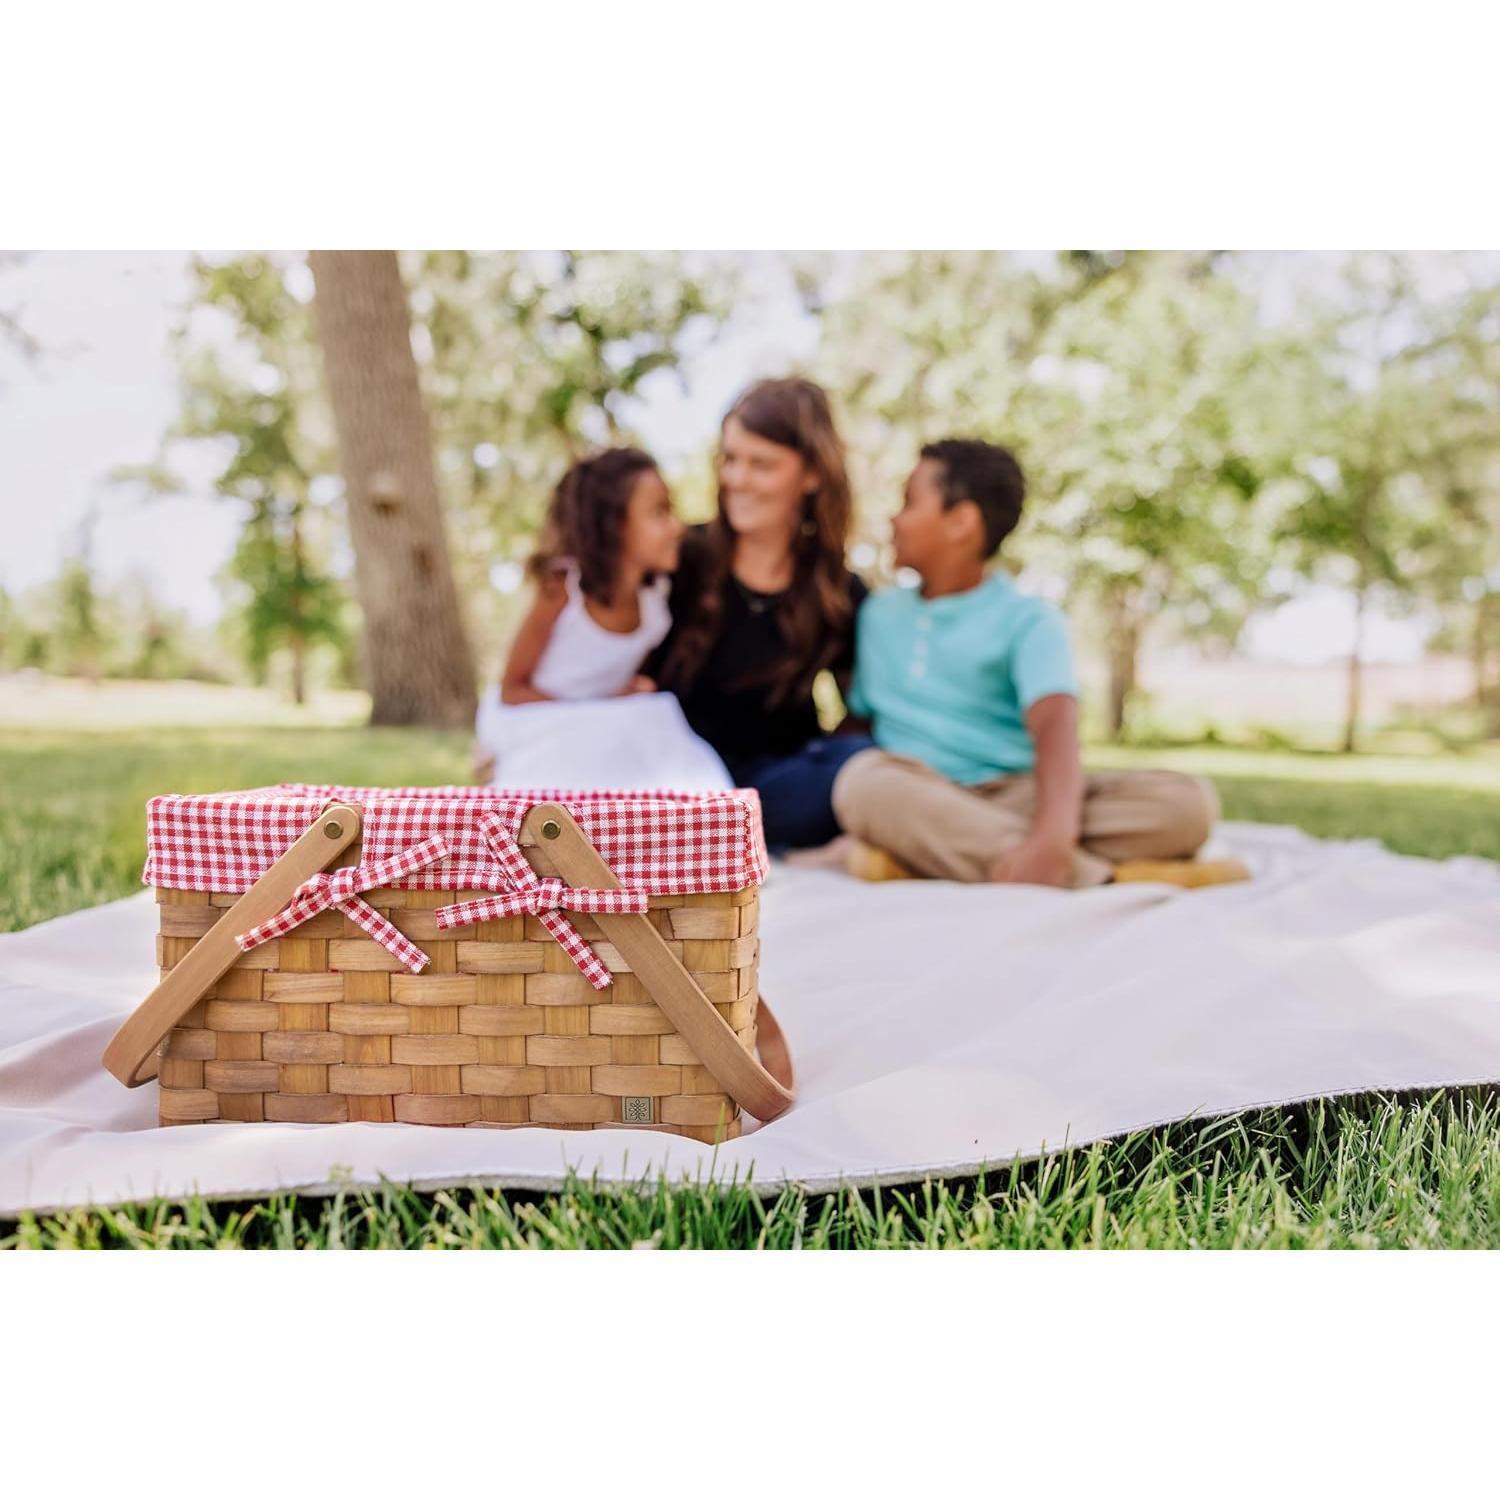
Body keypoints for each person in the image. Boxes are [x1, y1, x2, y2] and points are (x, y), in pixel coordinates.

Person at [831, 438, 1235, 888]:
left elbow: (1055, 728)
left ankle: (956, 858)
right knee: (861, 784)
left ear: (960, 522)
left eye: (908, 502)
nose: (894, 518)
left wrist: (1053, 835)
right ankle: (1095, 877)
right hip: (923, 793)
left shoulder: (1028, 619)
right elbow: (861, 718)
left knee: (1187, 805)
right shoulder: (878, 615)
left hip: (1018, 794)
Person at [649, 377, 872, 849]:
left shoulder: (839, 592)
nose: (737, 479)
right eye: (731, 459)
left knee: (862, 760)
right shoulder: (681, 557)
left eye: (761, 464)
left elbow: (860, 712)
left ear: (812, 475)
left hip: (770, 790)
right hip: (670, 779)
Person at [474, 447, 732, 791]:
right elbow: (512, 690)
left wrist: (624, 693)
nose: (676, 527)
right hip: (529, 719)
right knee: (645, 718)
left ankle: (711, 816)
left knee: (656, 712)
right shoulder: (563, 590)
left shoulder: (654, 601)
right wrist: (596, 711)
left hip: (594, 720)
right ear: (613, 526)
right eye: (659, 513)